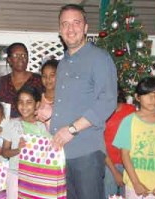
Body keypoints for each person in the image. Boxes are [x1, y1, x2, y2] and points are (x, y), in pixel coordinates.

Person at [49, 4, 117, 199]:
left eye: (76, 23)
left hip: (86, 153)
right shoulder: (63, 63)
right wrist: (51, 111)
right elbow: (75, 101)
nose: (70, 29)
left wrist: (71, 129)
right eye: (65, 24)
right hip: (60, 154)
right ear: (60, 30)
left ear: (86, 27)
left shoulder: (99, 58)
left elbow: (108, 100)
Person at [113, 77, 155, 199]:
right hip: (135, 186)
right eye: (147, 94)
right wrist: (136, 183)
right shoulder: (128, 121)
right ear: (137, 97)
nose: (153, 99)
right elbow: (125, 154)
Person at [1, 86, 50, 199]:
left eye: (29, 102)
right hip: (15, 175)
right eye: (21, 102)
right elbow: (4, 152)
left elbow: (48, 151)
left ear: (37, 105)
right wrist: (18, 149)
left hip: (37, 176)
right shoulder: (11, 124)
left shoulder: (42, 126)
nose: (24, 106)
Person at [0, 42, 44, 118]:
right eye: (16, 55)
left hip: (33, 127)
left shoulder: (38, 80)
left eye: (24, 55)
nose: (20, 58)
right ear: (9, 59)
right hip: (9, 127)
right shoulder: (2, 81)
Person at [104, 87, 136, 198]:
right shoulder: (101, 114)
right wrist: (114, 172)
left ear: (118, 92)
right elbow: (99, 145)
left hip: (129, 163)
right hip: (108, 164)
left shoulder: (131, 110)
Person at [36, 59, 58, 130]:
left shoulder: (65, 99)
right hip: (38, 139)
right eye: (44, 76)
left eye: (52, 75)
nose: (48, 79)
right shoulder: (37, 98)